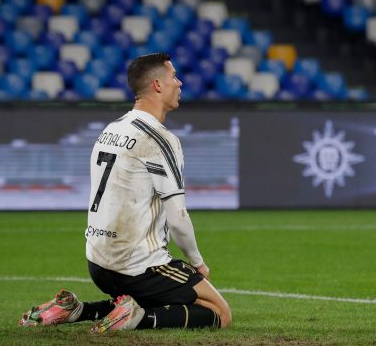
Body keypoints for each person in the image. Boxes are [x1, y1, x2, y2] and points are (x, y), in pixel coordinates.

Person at [18, 53, 232, 332]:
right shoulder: (160, 139)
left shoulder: (111, 129)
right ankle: (137, 319)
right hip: (138, 266)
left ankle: (76, 310)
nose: (179, 83)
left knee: (148, 299)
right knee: (220, 313)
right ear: (157, 85)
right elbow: (178, 218)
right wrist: (197, 263)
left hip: (97, 263)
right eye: (174, 77)